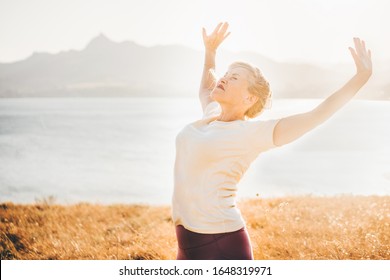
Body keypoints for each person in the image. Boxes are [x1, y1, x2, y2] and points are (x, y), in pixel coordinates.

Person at [171, 22, 372, 260]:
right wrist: (210, 52)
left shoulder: (250, 134)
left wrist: (361, 78)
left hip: (221, 244)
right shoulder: (211, 115)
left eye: (233, 78)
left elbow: (316, 116)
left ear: (249, 97)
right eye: (225, 74)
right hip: (186, 243)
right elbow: (206, 87)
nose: (223, 78)